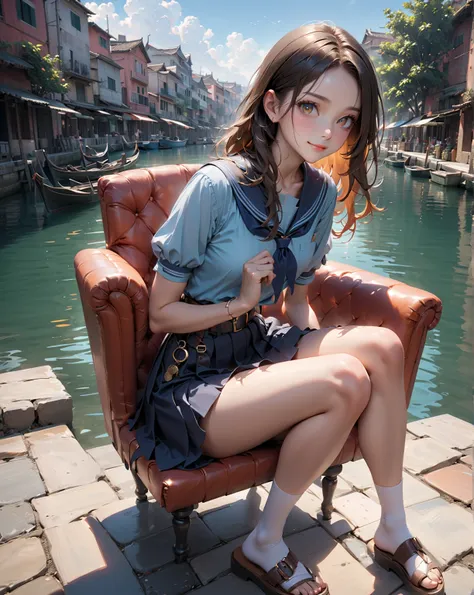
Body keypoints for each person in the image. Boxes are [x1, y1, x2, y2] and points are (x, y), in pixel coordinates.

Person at [129, 23, 445, 595]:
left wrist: (308, 362)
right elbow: (160, 316)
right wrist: (243, 301)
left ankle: (393, 529)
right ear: (273, 104)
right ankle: (264, 543)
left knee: (382, 347)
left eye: (346, 118)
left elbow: (297, 301)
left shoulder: (321, 194)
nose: (328, 131)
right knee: (345, 379)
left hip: (259, 340)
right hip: (195, 371)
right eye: (312, 107)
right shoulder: (215, 188)